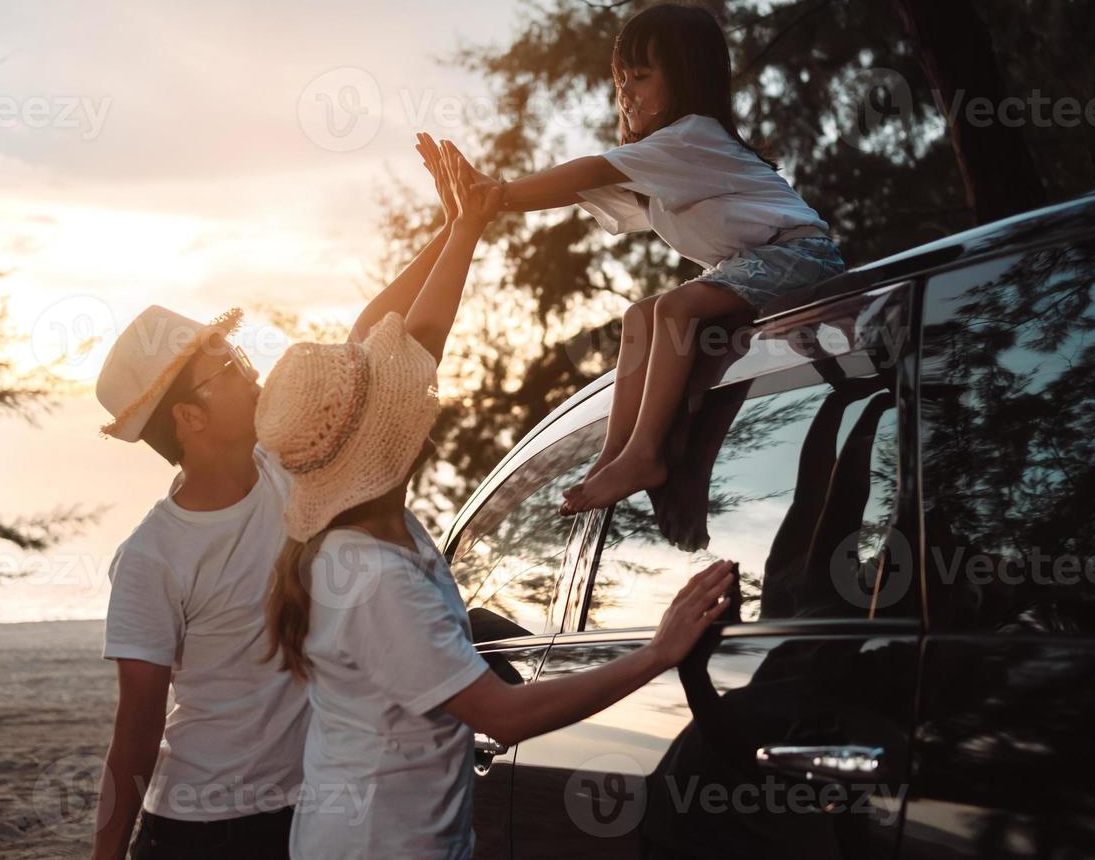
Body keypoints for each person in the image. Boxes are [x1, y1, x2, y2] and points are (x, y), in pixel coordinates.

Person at [255, 150, 737, 859]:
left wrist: (462, 227)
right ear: (378, 438)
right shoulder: (372, 576)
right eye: (394, 395)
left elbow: (403, 335)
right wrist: (658, 652)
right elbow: (502, 717)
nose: (415, 390)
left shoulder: (371, 523)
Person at [89, 146, 480, 860]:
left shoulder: (295, 468)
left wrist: (458, 226)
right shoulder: (152, 557)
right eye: (229, 371)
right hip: (200, 834)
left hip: (309, 811)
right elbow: (137, 730)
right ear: (190, 421)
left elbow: (376, 338)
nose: (253, 371)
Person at [425, 2, 846, 516]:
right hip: (768, 262)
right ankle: (613, 457)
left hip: (801, 255)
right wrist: (492, 200)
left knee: (672, 310)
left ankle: (645, 452)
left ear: (687, 79)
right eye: (620, 79)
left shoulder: (691, 136)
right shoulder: (664, 162)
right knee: (639, 317)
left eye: (641, 77)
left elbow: (587, 173)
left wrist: (500, 193)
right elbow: (585, 188)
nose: (625, 92)